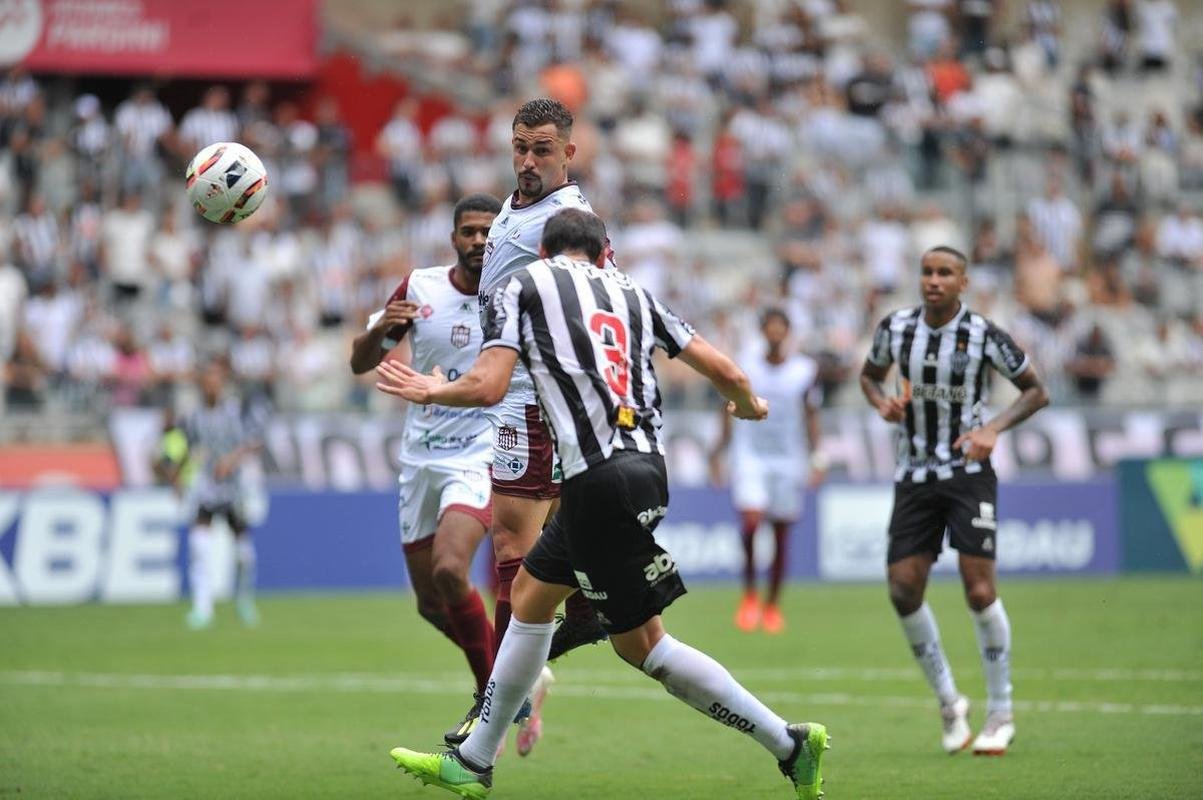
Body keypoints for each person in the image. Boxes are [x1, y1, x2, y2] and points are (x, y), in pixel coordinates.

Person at [378, 208, 830, 800]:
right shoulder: (634, 292)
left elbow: (489, 385)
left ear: (544, 252)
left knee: (647, 648)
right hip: (644, 468)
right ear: (602, 251)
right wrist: (747, 402)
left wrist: (431, 388)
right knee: (531, 601)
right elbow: (722, 367)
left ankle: (789, 744)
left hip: (596, 478)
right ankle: (474, 758)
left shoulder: (527, 282)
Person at [444, 97, 605, 755]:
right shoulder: (517, 206)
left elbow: (593, 300)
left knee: (512, 552)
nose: (529, 160)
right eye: (520, 147)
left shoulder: (570, 221)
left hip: (531, 398)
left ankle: (495, 706)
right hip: (515, 394)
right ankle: (587, 603)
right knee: (530, 552)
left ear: (569, 152)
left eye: (542, 149)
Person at [859, 246, 1050, 756]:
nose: (934, 281)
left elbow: (1035, 390)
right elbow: (868, 375)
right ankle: (949, 702)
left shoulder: (985, 334)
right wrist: (884, 405)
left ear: (963, 282)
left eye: (945, 273)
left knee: (979, 590)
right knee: (902, 589)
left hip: (968, 473)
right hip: (914, 474)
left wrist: (993, 427)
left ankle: (1001, 711)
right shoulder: (896, 328)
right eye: (926, 272)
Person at [349, 193, 502, 706]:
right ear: (454, 238)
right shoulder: (421, 287)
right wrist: (379, 329)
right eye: (469, 232)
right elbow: (361, 362)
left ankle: (493, 699)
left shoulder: (513, 291)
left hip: (481, 450)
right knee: (431, 605)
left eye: (487, 231)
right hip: (422, 455)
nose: (479, 240)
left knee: (449, 569)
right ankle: (519, 675)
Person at [709, 309, 824, 634]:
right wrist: (718, 451)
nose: (775, 333)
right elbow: (727, 405)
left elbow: (811, 414)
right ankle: (749, 596)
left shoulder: (804, 370)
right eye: (770, 328)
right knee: (751, 522)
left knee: (781, 534)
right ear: (762, 331)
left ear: (787, 332)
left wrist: (818, 457)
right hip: (751, 456)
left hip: (789, 458)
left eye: (780, 328)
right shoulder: (747, 363)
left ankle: (772, 604)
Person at [178, 361, 266, 629]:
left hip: (234, 489)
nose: (212, 385)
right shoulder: (192, 417)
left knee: (243, 554)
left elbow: (255, 441)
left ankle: (244, 600)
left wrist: (231, 459)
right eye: (208, 380)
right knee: (199, 547)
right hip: (206, 487)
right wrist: (179, 478)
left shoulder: (236, 412)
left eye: (217, 380)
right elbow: (187, 450)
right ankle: (202, 607)